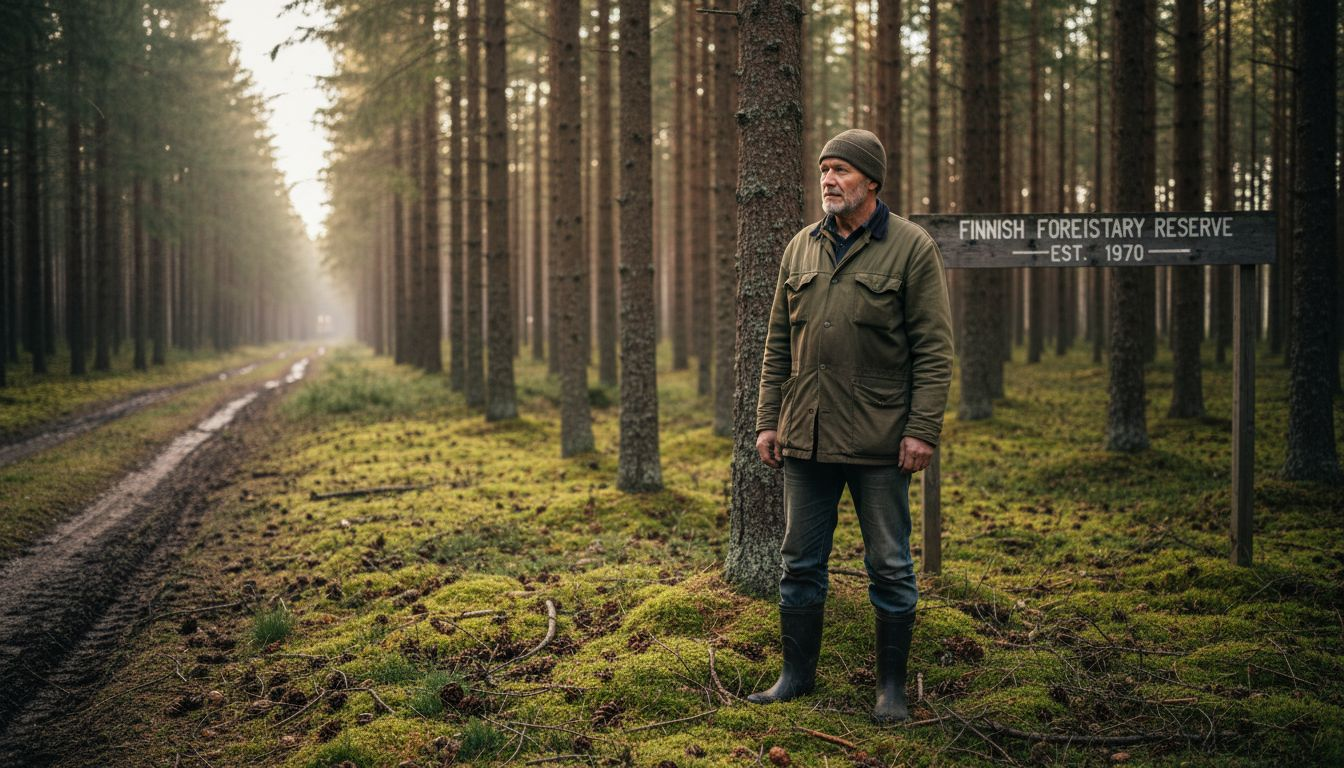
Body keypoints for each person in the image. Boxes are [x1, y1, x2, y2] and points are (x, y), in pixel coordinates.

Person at [749, 128, 954, 723]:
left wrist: (922, 430)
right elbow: (777, 343)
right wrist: (768, 421)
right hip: (805, 437)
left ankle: (891, 690)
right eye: (823, 171)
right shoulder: (800, 248)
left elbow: (934, 351)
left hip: (880, 440)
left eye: (840, 170)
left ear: (870, 181)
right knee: (799, 562)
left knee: (889, 565)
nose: (829, 181)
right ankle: (795, 677)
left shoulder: (911, 247)